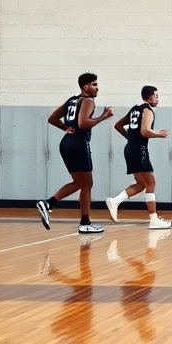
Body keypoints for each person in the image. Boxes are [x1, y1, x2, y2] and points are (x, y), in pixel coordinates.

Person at [36, 73, 114, 234]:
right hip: (79, 143)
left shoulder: (72, 100)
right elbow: (83, 123)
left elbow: (52, 118)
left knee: (81, 183)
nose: (96, 87)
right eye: (94, 84)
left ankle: (50, 204)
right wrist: (103, 117)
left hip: (66, 143)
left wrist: (66, 128)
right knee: (87, 184)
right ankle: (82, 222)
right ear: (85, 86)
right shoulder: (87, 100)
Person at [106, 86, 171, 230]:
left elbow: (118, 125)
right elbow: (145, 131)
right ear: (148, 98)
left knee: (142, 184)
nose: (157, 99)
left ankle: (115, 201)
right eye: (156, 96)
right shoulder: (147, 110)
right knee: (151, 183)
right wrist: (159, 134)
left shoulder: (135, 109)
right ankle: (153, 219)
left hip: (130, 148)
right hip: (139, 149)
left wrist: (131, 139)